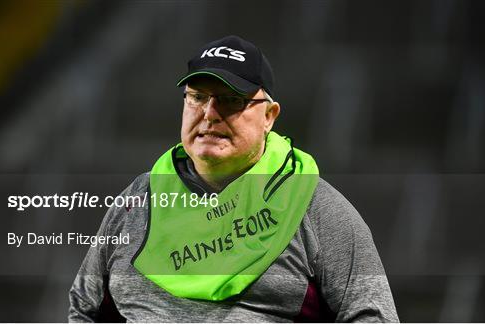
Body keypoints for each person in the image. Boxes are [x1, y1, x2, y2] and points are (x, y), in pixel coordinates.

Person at [68, 35, 399, 322]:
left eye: (229, 100)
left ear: (269, 116)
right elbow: (85, 309)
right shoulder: (138, 201)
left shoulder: (316, 210)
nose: (209, 114)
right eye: (197, 97)